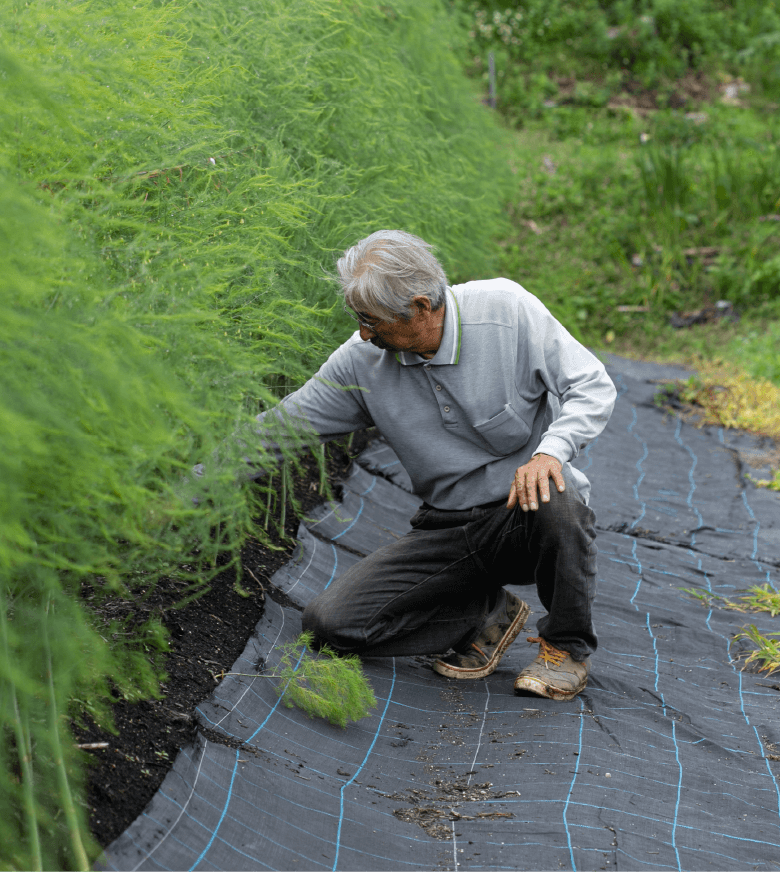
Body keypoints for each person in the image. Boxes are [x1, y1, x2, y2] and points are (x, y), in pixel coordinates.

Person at [256, 230, 616, 700]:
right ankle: (486, 616)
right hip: (447, 528)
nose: (364, 332)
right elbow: (280, 429)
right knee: (330, 624)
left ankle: (565, 649)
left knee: (558, 491)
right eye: (358, 319)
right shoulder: (361, 363)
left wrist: (551, 450)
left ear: (422, 307)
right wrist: (190, 487)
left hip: (524, 515)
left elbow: (592, 385)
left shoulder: (506, 312)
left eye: (372, 320)